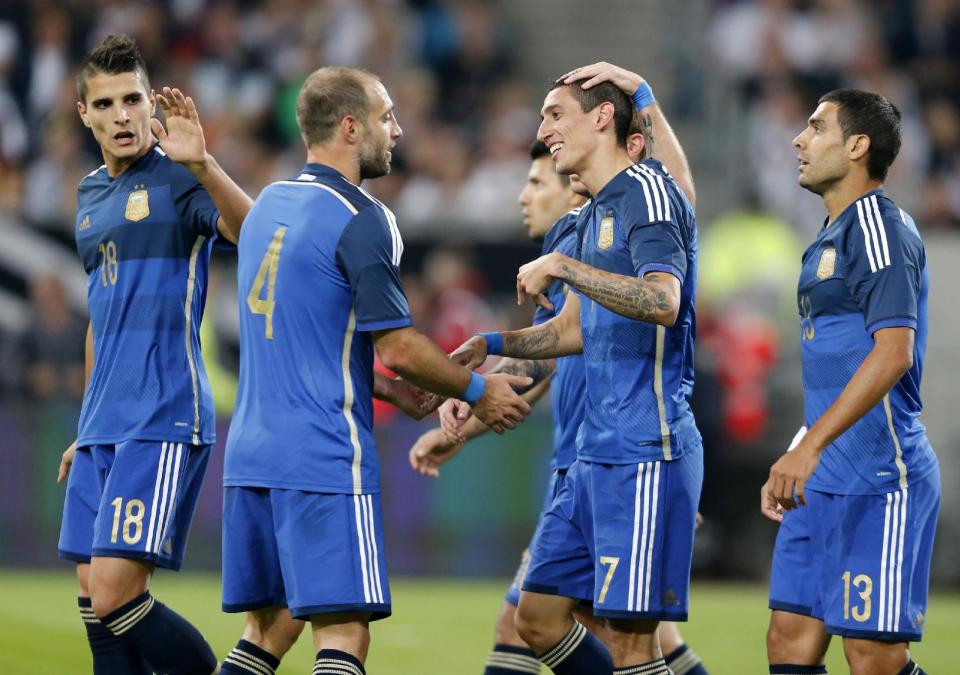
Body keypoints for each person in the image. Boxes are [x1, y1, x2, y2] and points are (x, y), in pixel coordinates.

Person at [217, 66, 532, 675]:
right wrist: (477, 389)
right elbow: (398, 347)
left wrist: (388, 391)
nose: (399, 130)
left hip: (251, 457)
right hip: (323, 455)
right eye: (387, 117)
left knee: (268, 630)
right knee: (343, 634)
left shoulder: (267, 208)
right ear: (351, 126)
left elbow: (309, 341)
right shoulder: (364, 218)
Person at [412, 131, 708, 675]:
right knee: (546, 621)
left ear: (572, 187)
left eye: (535, 182)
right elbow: (550, 352)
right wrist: (479, 380)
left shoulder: (613, 225)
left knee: (624, 637)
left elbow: (677, 222)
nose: (524, 195)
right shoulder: (577, 236)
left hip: (628, 455)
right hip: (583, 463)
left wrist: (640, 93)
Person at [55, 34, 252, 675]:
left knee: (116, 592)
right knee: (95, 602)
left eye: (133, 99)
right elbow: (99, 316)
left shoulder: (177, 177)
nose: (122, 115)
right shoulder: (88, 196)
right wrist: (85, 425)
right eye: (106, 103)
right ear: (83, 112)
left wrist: (204, 165)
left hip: (162, 412)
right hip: (102, 423)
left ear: (150, 105)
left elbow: (254, 235)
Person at [761, 90, 939, 675]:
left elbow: (893, 355)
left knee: (872, 658)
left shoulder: (882, 229)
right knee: (788, 642)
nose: (798, 139)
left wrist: (810, 447)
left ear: (858, 146)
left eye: (816, 127)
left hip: (880, 478)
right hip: (821, 477)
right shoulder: (828, 237)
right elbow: (841, 362)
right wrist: (801, 445)